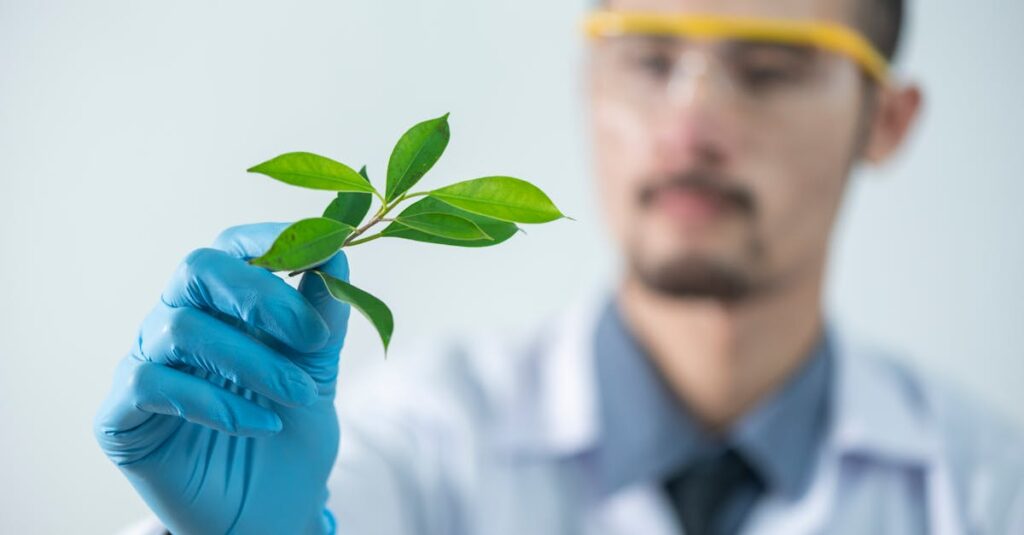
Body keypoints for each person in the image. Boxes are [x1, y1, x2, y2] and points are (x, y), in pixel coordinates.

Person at [95, 0, 1024, 534]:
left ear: (886, 122)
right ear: (590, 83)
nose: (690, 126)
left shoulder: (987, 489)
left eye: (771, 69)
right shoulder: (426, 440)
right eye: (651, 59)